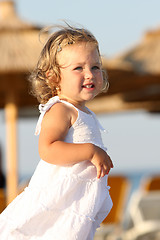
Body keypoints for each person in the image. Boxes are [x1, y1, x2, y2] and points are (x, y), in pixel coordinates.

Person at [0, 23, 113, 240]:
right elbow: (48, 149)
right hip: (58, 205)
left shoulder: (84, 112)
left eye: (95, 67)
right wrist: (90, 151)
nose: (89, 74)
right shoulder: (61, 109)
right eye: (78, 68)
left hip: (76, 203)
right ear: (53, 77)